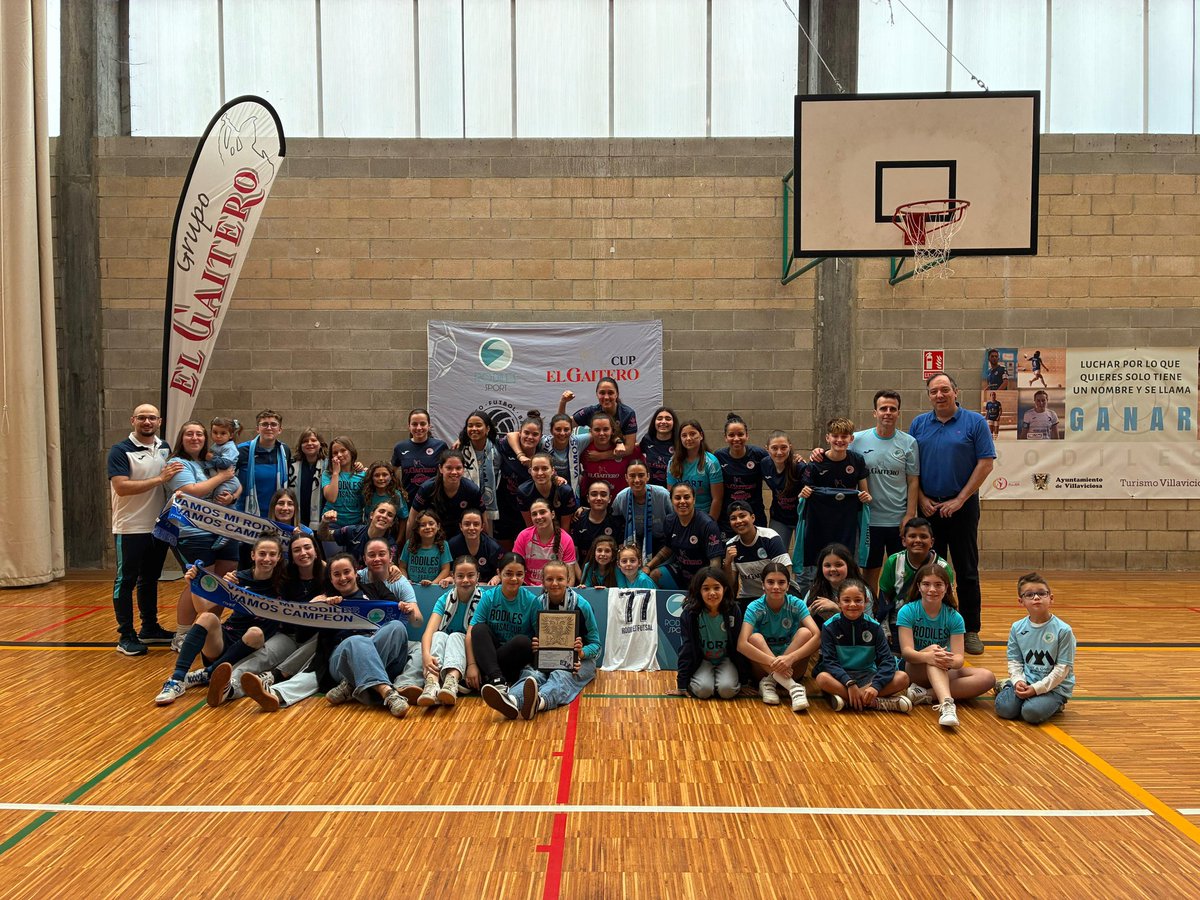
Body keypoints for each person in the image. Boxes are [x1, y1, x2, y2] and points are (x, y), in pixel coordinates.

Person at [909, 373, 996, 656]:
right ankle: (933, 628)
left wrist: (960, 499)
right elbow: (912, 468)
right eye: (934, 391)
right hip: (929, 508)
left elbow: (985, 464)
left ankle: (970, 630)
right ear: (929, 395)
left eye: (945, 390)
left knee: (966, 570)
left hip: (962, 507)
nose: (940, 395)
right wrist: (921, 498)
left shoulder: (975, 422)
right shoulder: (919, 424)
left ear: (955, 391)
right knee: (931, 571)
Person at [154, 535, 285, 705]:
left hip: (251, 646)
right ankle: (176, 680)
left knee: (256, 633)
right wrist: (193, 585)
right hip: (224, 641)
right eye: (262, 554)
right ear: (253, 555)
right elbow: (202, 610)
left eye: (272, 554)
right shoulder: (237, 578)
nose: (267, 559)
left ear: (279, 557)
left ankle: (207, 673)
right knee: (207, 617)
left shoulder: (284, 582)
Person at [205, 531, 326, 709]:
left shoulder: (329, 575)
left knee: (323, 640)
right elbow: (255, 577)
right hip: (289, 635)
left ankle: (272, 678)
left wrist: (328, 599)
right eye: (297, 550)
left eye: (307, 548)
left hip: (316, 637)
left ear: (316, 550)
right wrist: (231, 580)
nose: (303, 553)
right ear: (290, 556)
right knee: (261, 656)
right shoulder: (284, 575)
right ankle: (228, 687)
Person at [107, 403, 183, 656]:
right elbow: (122, 487)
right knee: (125, 581)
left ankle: (149, 627)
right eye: (142, 418)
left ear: (159, 421)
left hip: (158, 527)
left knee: (149, 578)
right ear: (133, 420)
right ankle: (125, 635)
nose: (147, 422)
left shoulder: (164, 448)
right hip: (130, 526)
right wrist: (159, 479)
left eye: (151, 418)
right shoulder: (120, 451)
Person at [491, 560, 603, 721]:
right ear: (542, 581)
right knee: (531, 673)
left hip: (581, 661)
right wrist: (535, 645)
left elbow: (597, 645)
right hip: (547, 658)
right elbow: (533, 636)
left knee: (561, 675)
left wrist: (582, 653)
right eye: (549, 579)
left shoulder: (582, 605)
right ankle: (512, 700)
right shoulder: (538, 604)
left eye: (560, 579)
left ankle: (540, 701)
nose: (555, 583)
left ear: (568, 580)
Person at [163, 420, 240, 649]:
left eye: (199, 434)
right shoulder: (177, 463)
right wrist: (222, 477)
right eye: (189, 434)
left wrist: (233, 496)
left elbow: (236, 483)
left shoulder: (209, 463)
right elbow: (193, 492)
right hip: (192, 531)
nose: (195, 438)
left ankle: (209, 628)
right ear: (181, 438)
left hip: (224, 528)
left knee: (223, 583)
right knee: (198, 581)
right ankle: (183, 634)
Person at [897, 563, 997, 729]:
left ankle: (925, 695)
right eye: (926, 584)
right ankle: (947, 705)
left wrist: (947, 660)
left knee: (987, 677)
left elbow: (959, 659)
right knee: (935, 650)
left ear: (947, 588)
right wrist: (929, 656)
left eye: (938, 584)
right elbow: (907, 653)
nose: (932, 589)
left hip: (943, 669)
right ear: (919, 587)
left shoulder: (954, 617)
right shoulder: (907, 611)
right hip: (915, 668)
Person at [314, 554, 413, 718]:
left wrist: (403, 607)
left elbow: (399, 614)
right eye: (336, 574)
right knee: (357, 640)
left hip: (382, 656)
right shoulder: (328, 601)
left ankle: (352, 684)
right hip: (341, 661)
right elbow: (304, 626)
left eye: (347, 572)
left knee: (397, 627)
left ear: (356, 573)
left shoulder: (376, 588)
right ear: (330, 579)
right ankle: (388, 693)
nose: (343, 578)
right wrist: (320, 606)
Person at [848, 392, 919, 596]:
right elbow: (838, 458)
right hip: (869, 520)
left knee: (900, 574)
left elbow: (913, 480)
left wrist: (909, 514)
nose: (888, 413)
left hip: (898, 520)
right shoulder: (858, 440)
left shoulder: (909, 443)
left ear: (898, 413)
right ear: (875, 412)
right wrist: (819, 452)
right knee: (870, 571)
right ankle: (872, 615)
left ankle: (895, 617)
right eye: (883, 408)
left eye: (892, 409)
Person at [813, 579, 911, 713]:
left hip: (868, 677)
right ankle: (875, 703)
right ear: (838, 602)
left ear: (866, 602)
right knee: (822, 678)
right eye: (846, 600)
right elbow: (829, 662)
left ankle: (849, 700)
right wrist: (848, 682)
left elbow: (887, 661)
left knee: (903, 678)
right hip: (840, 677)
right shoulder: (829, 627)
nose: (852, 605)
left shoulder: (874, 627)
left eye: (858, 600)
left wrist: (875, 686)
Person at [994, 572, 1075, 725]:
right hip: (1027, 680)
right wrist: (1018, 680)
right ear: (1021, 601)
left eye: (1041, 593)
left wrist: (1037, 689)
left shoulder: (1063, 630)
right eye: (1029, 595)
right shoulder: (1017, 628)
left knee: (1030, 713)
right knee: (1004, 709)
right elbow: (1014, 661)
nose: (1036, 598)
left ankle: (1056, 703)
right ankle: (1008, 684)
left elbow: (1062, 669)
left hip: (1054, 688)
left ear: (1051, 598)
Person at [737, 563, 820, 712]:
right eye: (770, 582)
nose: (776, 586)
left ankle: (769, 683)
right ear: (763, 585)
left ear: (788, 586)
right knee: (754, 638)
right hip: (763, 668)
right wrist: (774, 663)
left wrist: (790, 658)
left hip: (792, 667)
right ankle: (793, 687)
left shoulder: (796, 604)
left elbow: (817, 636)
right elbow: (741, 644)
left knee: (806, 633)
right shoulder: (755, 607)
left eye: (781, 582)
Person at [797, 417, 871, 573]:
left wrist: (866, 498)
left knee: (847, 561)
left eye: (844, 436)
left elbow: (865, 493)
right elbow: (804, 493)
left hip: (847, 520)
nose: (839, 440)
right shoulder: (816, 462)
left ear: (851, 438)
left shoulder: (857, 460)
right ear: (827, 437)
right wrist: (803, 494)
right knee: (818, 563)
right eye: (835, 436)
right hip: (820, 522)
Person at [471, 553, 539, 708]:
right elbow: (472, 633)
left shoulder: (531, 601)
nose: (514, 579)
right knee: (479, 629)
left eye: (519, 574)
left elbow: (539, 638)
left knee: (523, 641)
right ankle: (497, 681)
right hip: (490, 658)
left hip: (513, 660)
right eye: (508, 574)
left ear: (524, 576)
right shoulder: (489, 597)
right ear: (498, 573)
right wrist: (471, 665)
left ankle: (492, 678)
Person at [875, 517, 954, 647]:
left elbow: (948, 602)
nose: (918, 540)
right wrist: (885, 630)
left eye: (923, 536)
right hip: (899, 620)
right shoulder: (893, 561)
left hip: (931, 623)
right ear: (904, 541)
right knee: (896, 660)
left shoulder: (943, 567)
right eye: (912, 536)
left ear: (932, 542)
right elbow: (885, 599)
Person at [418, 555, 485, 706]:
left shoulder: (484, 599)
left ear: (478, 577)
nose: (465, 580)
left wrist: (471, 666)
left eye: (470, 575)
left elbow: (473, 636)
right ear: (453, 576)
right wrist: (426, 656)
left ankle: (451, 682)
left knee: (456, 636)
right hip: (442, 656)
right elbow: (428, 632)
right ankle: (432, 683)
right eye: (460, 576)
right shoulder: (444, 599)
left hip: (470, 654)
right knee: (439, 635)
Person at [675, 568, 749, 700]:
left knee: (727, 691)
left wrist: (744, 681)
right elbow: (686, 648)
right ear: (699, 590)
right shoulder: (690, 613)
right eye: (706, 589)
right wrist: (682, 684)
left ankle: (721, 681)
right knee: (703, 691)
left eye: (716, 588)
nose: (712, 593)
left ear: (724, 589)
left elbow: (739, 645)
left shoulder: (733, 610)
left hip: (725, 659)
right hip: (702, 660)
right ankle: (705, 680)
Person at [644, 483, 723, 589]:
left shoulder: (707, 524)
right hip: (682, 571)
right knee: (655, 575)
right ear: (671, 500)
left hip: (703, 575)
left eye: (686, 497)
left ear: (694, 500)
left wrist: (708, 585)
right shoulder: (669, 521)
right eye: (677, 498)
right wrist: (648, 566)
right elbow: (668, 549)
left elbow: (715, 562)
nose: (682, 501)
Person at [722, 501, 792, 605]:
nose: (738, 521)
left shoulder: (770, 537)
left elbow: (786, 570)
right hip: (749, 597)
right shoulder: (731, 545)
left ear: (753, 518)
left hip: (777, 593)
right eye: (733, 518)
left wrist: (772, 596)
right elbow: (730, 585)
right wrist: (727, 563)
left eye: (742, 516)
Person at [408, 450, 483, 540]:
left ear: (463, 469)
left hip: (461, 537)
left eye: (458, 468)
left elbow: (483, 519)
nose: (454, 472)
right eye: (449, 468)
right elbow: (412, 519)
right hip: (432, 535)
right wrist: (408, 547)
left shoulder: (472, 490)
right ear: (440, 468)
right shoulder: (427, 488)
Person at [715, 413, 770, 536]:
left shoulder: (759, 454)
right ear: (725, 437)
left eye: (740, 434)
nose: (736, 439)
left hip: (755, 516)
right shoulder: (719, 456)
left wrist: (797, 460)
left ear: (747, 435)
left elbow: (779, 466)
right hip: (728, 518)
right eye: (731, 435)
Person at [495, 412, 543, 544]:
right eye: (526, 433)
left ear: (541, 437)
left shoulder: (542, 455)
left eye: (535, 434)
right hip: (504, 508)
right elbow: (510, 435)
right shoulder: (507, 447)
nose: (530, 437)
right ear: (520, 432)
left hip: (528, 511)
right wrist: (520, 455)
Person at [610, 460, 671, 560]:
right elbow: (613, 522)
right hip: (634, 539)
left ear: (648, 476)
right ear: (626, 477)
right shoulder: (621, 497)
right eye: (632, 476)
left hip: (662, 541)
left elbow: (674, 519)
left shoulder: (662, 495)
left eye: (641, 475)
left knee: (655, 572)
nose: (637, 480)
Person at [236, 409, 291, 518]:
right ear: (257, 429)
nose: (269, 428)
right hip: (246, 513)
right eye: (265, 424)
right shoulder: (242, 450)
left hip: (276, 514)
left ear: (280, 429)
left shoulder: (284, 451)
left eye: (274, 425)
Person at [805, 543, 873, 630]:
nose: (832, 569)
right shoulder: (815, 589)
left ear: (848, 565)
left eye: (838, 565)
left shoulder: (862, 591)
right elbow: (799, 622)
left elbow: (868, 627)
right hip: (824, 638)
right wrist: (810, 612)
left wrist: (836, 609)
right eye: (827, 565)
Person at [513, 498, 577, 586]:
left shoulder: (566, 540)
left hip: (554, 590)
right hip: (528, 590)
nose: (538, 517)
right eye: (534, 514)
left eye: (542, 512)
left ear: (552, 514)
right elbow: (515, 569)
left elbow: (570, 579)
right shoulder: (523, 536)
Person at [578, 412, 642, 500]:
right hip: (592, 504)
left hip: (620, 504)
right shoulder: (583, 450)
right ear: (591, 431)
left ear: (612, 431)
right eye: (597, 430)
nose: (601, 433)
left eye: (605, 429)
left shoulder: (627, 449)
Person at [557, 378, 637, 447]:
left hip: (619, 457)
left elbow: (629, 449)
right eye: (602, 393)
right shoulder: (591, 411)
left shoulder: (628, 414)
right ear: (597, 394)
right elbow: (563, 424)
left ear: (617, 394)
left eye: (610, 393)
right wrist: (563, 402)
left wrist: (601, 456)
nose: (606, 397)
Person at [667, 420, 723, 519]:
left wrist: (710, 523)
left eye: (692, 434)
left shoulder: (711, 462)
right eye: (684, 435)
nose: (688, 438)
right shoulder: (673, 462)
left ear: (701, 435)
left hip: (705, 515)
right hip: (681, 516)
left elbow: (717, 499)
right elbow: (671, 496)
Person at [319, 500, 403, 565]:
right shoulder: (352, 531)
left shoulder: (391, 546)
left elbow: (391, 569)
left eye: (390, 515)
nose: (384, 516)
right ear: (371, 515)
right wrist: (325, 521)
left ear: (392, 523)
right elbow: (323, 536)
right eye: (381, 511)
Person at [457, 410, 502, 528]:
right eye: (470, 425)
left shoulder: (498, 448)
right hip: (465, 503)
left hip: (492, 502)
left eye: (478, 425)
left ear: (487, 429)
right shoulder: (460, 450)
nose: (474, 429)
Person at [391, 408, 449, 497]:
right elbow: (391, 472)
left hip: (434, 500)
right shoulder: (400, 447)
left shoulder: (440, 446)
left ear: (429, 426)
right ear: (409, 426)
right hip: (409, 499)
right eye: (414, 424)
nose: (418, 428)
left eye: (422, 424)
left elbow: (448, 470)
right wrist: (397, 489)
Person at [764, 430, 804, 554]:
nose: (779, 452)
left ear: (790, 447)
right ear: (767, 449)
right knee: (777, 555)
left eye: (783, 447)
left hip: (801, 518)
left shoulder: (799, 467)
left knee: (803, 559)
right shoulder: (764, 464)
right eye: (774, 448)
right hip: (779, 518)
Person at [516, 451, 578, 530]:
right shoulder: (523, 492)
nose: (540, 473)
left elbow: (565, 528)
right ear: (530, 471)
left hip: (560, 534)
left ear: (552, 471)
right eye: (535, 469)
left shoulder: (565, 491)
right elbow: (530, 527)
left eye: (545, 468)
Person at [445, 508, 504, 586]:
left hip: (487, 589)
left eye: (476, 524)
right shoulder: (452, 545)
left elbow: (502, 571)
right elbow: (448, 571)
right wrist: (449, 578)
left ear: (482, 527)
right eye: (467, 524)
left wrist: (498, 577)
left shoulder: (493, 547)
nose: (471, 528)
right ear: (461, 526)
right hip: (460, 586)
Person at [321, 435, 367, 528]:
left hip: (355, 525)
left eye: (343, 450)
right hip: (332, 523)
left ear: (351, 451)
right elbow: (331, 498)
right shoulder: (327, 474)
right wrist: (335, 473)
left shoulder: (362, 474)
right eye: (335, 452)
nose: (339, 455)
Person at [288, 428, 328, 530]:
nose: (309, 443)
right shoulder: (292, 465)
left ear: (320, 444)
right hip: (298, 516)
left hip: (322, 517)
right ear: (300, 446)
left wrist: (357, 465)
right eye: (305, 441)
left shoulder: (329, 465)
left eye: (314, 440)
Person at [398, 510, 452, 586]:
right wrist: (406, 581)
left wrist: (433, 584)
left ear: (438, 526)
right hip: (411, 586)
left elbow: (445, 569)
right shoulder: (409, 544)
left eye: (431, 524)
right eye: (422, 525)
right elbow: (402, 567)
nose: (427, 527)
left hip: (434, 587)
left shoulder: (443, 544)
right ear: (417, 529)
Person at [570, 480, 622, 558]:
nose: (598, 498)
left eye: (603, 495)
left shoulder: (617, 522)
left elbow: (620, 554)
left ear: (610, 498)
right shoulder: (577, 519)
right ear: (588, 498)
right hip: (583, 568)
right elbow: (573, 557)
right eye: (594, 494)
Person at [206, 416, 243, 507]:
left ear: (231, 435)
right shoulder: (216, 445)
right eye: (215, 432)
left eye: (223, 433)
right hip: (218, 478)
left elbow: (225, 464)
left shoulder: (230, 447)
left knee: (220, 498)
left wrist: (211, 458)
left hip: (228, 481)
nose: (218, 436)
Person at [638, 406, 678, 487]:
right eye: (659, 418)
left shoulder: (679, 442)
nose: (663, 422)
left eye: (668, 419)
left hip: (672, 490)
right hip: (650, 489)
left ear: (674, 422)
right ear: (654, 422)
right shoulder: (647, 439)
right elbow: (635, 450)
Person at [362, 461, 410, 525]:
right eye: (377, 475)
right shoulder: (367, 493)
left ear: (391, 476)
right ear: (371, 477)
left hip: (388, 533)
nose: (381, 478)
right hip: (368, 531)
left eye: (384, 475)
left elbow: (403, 518)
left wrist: (400, 535)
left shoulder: (396, 496)